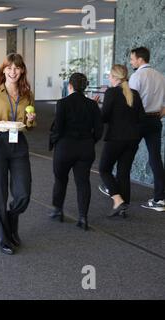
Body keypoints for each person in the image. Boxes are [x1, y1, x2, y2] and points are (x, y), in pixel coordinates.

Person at [0, 53, 36, 255]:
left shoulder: (27, 93)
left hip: (19, 143)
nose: (13, 71)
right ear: (3, 70)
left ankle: (12, 220)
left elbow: (30, 126)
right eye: (9, 67)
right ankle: (4, 238)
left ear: (22, 71)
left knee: (23, 194)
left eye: (17, 68)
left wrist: (30, 119)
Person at [49, 73, 103, 230]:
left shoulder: (62, 103)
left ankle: (58, 211)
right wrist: (90, 141)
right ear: (85, 87)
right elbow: (99, 130)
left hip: (65, 148)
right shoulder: (92, 105)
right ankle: (83, 218)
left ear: (70, 86)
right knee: (83, 182)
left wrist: (54, 141)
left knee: (60, 179)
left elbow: (57, 128)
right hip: (85, 149)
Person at [99, 64, 145, 218]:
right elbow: (141, 118)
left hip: (116, 139)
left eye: (109, 76)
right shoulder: (135, 94)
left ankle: (117, 200)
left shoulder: (111, 92)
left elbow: (104, 117)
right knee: (123, 172)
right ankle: (124, 207)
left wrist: (96, 105)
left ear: (114, 77)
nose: (108, 78)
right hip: (133, 139)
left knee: (104, 169)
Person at [128, 47, 165, 211]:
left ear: (140, 59)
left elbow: (130, 104)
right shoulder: (160, 76)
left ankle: (118, 191)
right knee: (155, 159)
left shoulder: (136, 76)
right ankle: (160, 199)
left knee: (126, 155)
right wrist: (159, 114)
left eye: (132, 59)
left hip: (138, 121)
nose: (131, 61)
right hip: (155, 120)